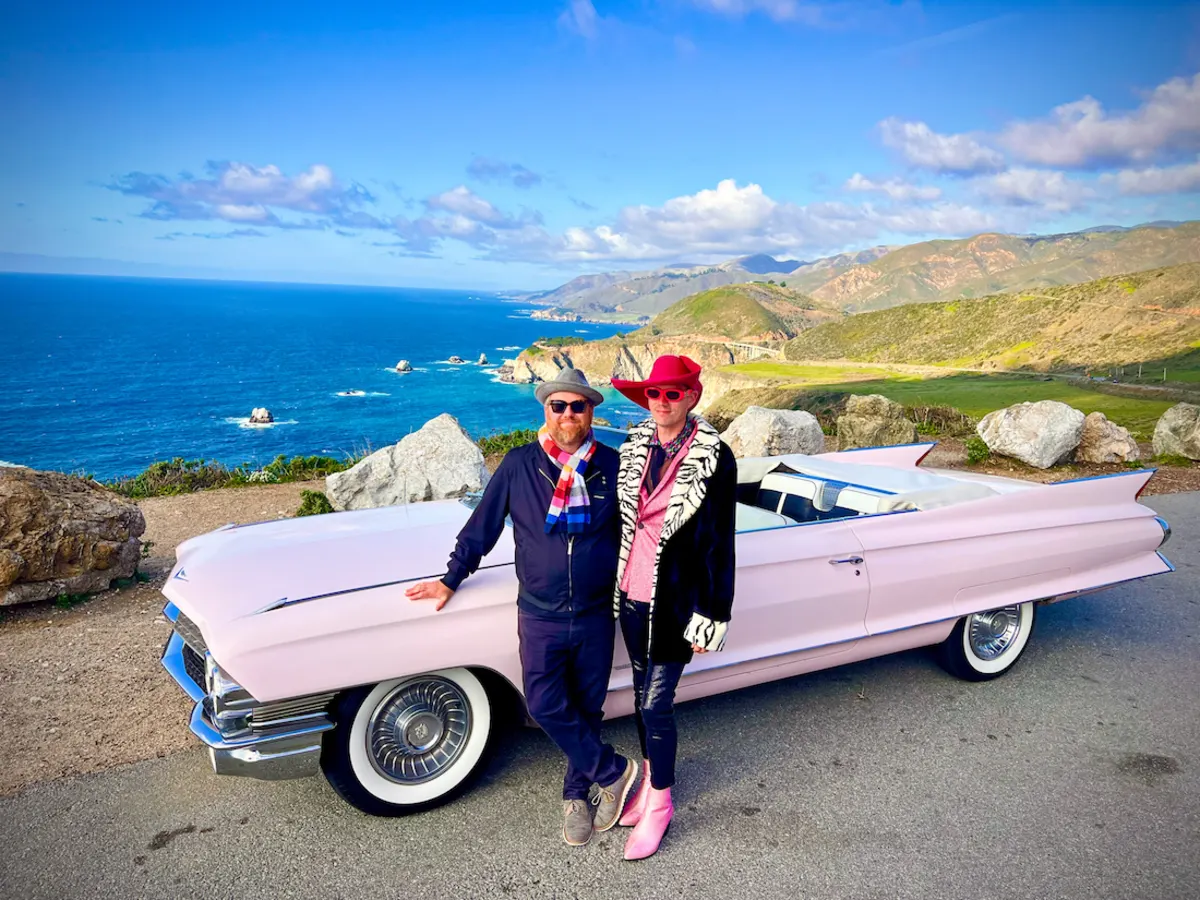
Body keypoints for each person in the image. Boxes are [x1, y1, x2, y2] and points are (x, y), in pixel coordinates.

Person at [405, 368, 636, 847]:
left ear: (591, 412)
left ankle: (577, 795)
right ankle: (614, 771)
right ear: (545, 411)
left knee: (587, 708)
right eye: (558, 406)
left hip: (596, 612)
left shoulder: (613, 466)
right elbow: (483, 527)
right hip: (540, 613)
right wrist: (451, 578)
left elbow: (639, 532)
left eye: (577, 406)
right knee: (545, 704)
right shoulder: (519, 465)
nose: (568, 414)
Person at [609, 354, 738, 861]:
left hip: (676, 602)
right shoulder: (635, 446)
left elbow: (720, 542)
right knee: (640, 695)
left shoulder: (714, 455)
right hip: (631, 593)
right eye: (654, 393)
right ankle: (649, 783)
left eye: (672, 393)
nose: (661, 402)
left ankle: (661, 804)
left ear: (691, 397)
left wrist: (712, 615)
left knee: (655, 704)